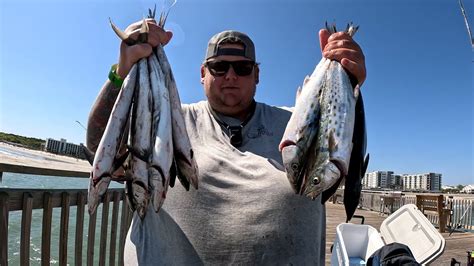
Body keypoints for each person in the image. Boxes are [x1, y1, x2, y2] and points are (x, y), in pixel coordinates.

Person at [87, 19, 366, 265]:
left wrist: (347, 78)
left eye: (242, 68)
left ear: (257, 75)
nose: (230, 75)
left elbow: (340, 149)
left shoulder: (299, 124)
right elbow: (100, 149)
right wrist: (121, 73)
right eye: (218, 67)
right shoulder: (167, 120)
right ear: (202, 74)